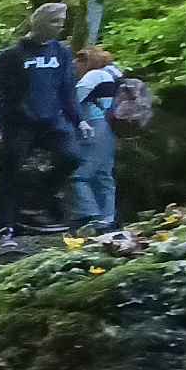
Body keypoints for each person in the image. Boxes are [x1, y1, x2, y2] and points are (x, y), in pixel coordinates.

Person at [0, 1, 95, 249]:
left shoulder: (62, 53)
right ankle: (5, 230)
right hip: (18, 124)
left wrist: (79, 120)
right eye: (55, 22)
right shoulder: (12, 56)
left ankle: (37, 200)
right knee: (9, 175)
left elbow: (68, 91)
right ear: (39, 22)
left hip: (53, 122)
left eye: (62, 23)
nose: (59, 27)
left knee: (72, 157)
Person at [71, 45, 123, 231]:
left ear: (86, 61)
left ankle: (92, 216)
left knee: (80, 177)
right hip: (110, 128)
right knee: (104, 176)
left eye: (77, 62)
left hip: (95, 126)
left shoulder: (93, 76)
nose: (74, 66)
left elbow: (74, 102)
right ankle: (108, 218)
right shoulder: (113, 74)